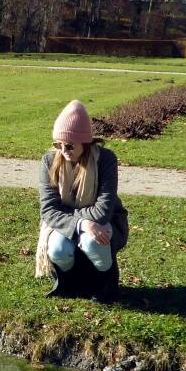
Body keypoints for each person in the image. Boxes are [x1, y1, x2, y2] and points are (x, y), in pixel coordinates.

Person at [36, 100, 128, 301]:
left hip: (105, 221)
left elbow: (103, 209)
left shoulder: (105, 159)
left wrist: (86, 224)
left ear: (85, 142)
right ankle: (70, 284)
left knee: (94, 241)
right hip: (71, 222)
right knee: (59, 249)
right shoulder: (49, 161)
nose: (63, 150)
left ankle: (105, 284)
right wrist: (81, 223)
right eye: (57, 145)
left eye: (69, 145)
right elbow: (49, 210)